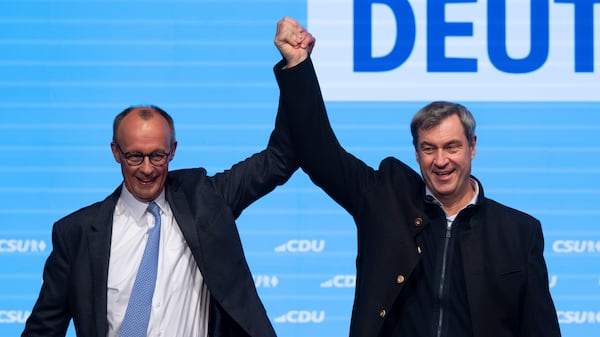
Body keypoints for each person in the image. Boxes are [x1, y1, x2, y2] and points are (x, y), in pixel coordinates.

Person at [273, 17, 561, 337]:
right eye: (428, 148)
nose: (440, 161)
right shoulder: (386, 199)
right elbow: (318, 153)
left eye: (451, 147)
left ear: (472, 147)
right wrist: (298, 65)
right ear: (416, 152)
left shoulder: (518, 232)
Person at [21, 104, 297, 337]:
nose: (147, 168)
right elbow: (44, 330)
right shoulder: (76, 233)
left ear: (172, 150)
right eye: (134, 156)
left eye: (157, 155)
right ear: (116, 152)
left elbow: (279, 158)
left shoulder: (205, 200)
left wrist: (294, 65)